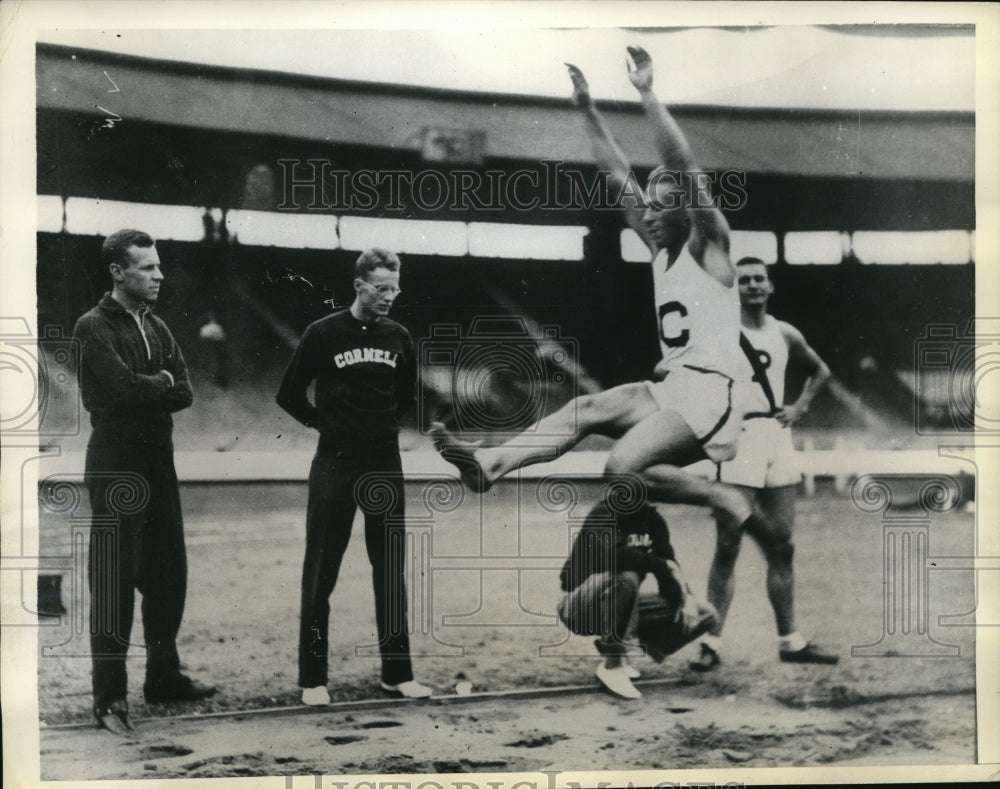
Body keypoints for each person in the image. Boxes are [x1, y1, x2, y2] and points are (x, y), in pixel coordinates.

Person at [432, 46, 759, 539]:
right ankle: (490, 465)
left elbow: (682, 163)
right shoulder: (660, 254)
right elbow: (614, 172)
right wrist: (586, 109)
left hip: (712, 394)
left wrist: (647, 93)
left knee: (620, 469)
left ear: (684, 212)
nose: (646, 214)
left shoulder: (708, 246)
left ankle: (719, 495)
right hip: (670, 389)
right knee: (583, 411)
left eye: (659, 206)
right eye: (646, 206)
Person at [73, 229, 216, 736]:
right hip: (116, 460)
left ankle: (163, 677)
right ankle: (108, 697)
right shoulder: (93, 326)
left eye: (159, 266)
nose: (159, 275)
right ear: (118, 272)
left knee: (168, 573)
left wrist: (151, 386)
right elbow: (120, 388)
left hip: (159, 458)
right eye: (148, 267)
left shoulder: (157, 326)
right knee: (114, 580)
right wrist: (158, 384)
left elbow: (187, 392)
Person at [276, 248, 432, 704]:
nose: (390, 297)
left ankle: (397, 674)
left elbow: (405, 396)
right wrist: (326, 424)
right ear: (359, 285)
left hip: (384, 462)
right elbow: (288, 394)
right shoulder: (322, 333)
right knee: (321, 569)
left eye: (395, 288)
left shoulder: (399, 336)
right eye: (381, 289)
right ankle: (313, 680)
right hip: (335, 461)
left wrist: (375, 427)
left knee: (389, 570)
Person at [690, 258, 839, 670]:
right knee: (728, 544)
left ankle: (791, 642)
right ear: (734, 288)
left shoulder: (784, 332)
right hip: (737, 441)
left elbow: (820, 369)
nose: (752, 285)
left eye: (759, 279)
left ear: (770, 286)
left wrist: (801, 407)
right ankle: (711, 644)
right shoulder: (719, 332)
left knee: (782, 546)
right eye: (744, 280)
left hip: (776, 436)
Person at [558, 497, 716, 699]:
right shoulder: (604, 511)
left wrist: (685, 598)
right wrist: (660, 564)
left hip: (619, 603)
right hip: (579, 605)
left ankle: (622, 651)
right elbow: (615, 557)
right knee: (626, 578)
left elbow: (669, 569)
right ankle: (612, 665)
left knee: (707, 614)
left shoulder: (652, 519)